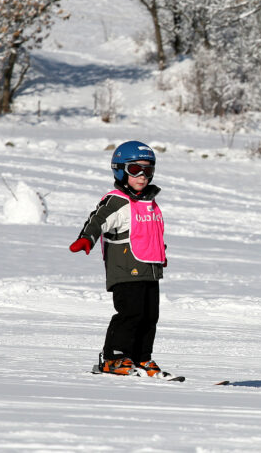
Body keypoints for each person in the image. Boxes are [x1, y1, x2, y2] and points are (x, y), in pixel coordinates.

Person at [69, 140, 170, 377]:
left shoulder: (149, 203)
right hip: (125, 267)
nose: (143, 176)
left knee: (149, 315)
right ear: (119, 169)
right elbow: (97, 220)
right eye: (136, 170)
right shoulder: (117, 200)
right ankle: (113, 357)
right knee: (130, 313)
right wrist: (87, 239)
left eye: (148, 170)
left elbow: (151, 233)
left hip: (149, 268)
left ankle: (141, 357)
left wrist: (160, 253)